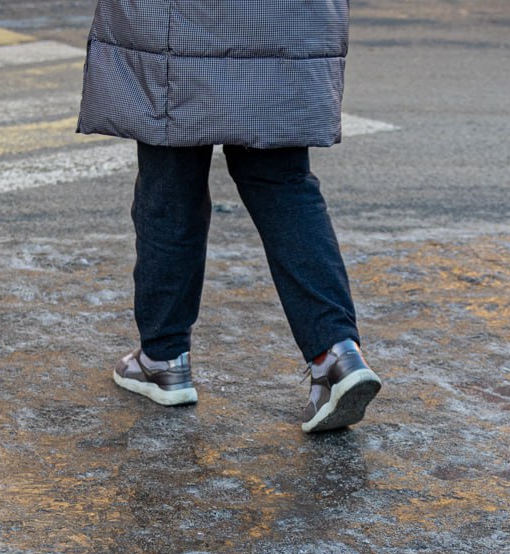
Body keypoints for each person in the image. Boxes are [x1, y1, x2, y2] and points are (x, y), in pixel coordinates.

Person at [76, 0, 381, 433]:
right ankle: (335, 354)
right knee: (284, 183)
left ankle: (164, 358)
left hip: (175, 28)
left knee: (170, 180)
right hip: (282, 24)